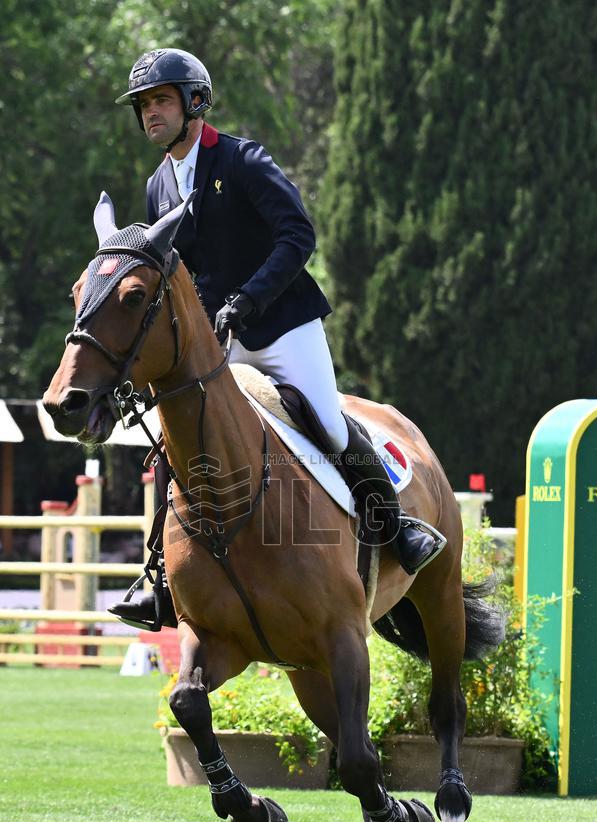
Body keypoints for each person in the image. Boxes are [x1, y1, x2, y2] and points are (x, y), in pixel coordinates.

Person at [109, 48, 441, 630]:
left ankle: (396, 529)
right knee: (173, 441)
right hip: (218, 338)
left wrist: (249, 299)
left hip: (281, 324)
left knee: (328, 423)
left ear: (194, 102)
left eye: (161, 100)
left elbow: (297, 235)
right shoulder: (157, 185)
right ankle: (159, 574)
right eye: (144, 105)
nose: (151, 113)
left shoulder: (242, 160)